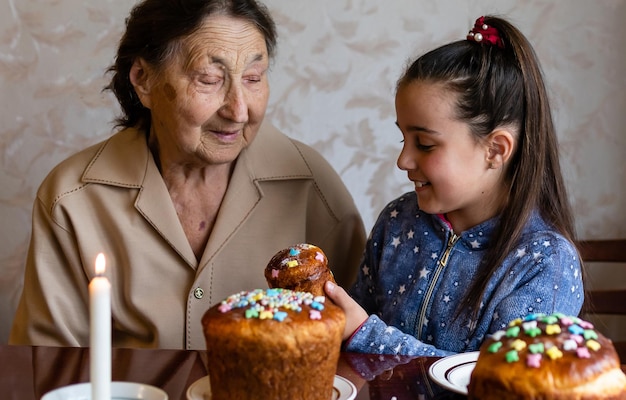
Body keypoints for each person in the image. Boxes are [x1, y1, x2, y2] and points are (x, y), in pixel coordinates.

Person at [10, 0, 365, 350]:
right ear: (143, 79)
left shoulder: (310, 185)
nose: (239, 110)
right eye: (209, 80)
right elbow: (45, 371)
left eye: (253, 78)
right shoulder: (73, 197)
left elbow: (365, 345)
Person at [325, 15, 583, 357]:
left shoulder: (544, 262)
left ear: (495, 150)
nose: (403, 160)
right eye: (404, 138)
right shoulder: (397, 221)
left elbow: (498, 384)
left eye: (425, 144)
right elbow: (351, 347)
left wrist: (365, 333)